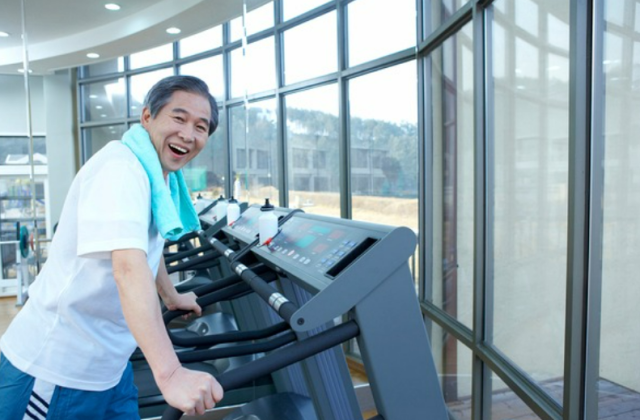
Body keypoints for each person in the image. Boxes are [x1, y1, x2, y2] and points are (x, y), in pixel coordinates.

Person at [0, 75, 224, 419]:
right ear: (147, 117)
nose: (188, 134)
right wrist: (171, 373)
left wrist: (170, 295)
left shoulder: (155, 173)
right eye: (178, 119)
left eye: (201, 126)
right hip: (57, 366)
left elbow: (149, 243)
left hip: (110, 363)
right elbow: (128, 268)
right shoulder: (121, 169)